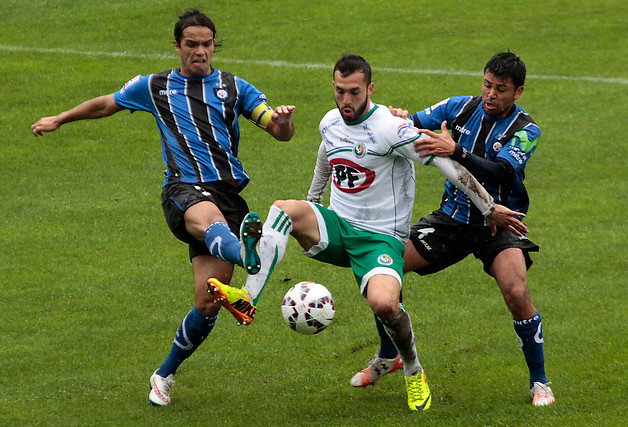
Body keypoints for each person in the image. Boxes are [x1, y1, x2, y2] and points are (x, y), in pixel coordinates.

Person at [208, 53, 528, 412]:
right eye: (340, 91)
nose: (346, 101)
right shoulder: (330, 122)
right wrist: (313, 201)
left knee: (385, 304)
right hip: (338, 227)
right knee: (284, 209)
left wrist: (489, 208)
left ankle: (412, 369)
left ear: (370, 89)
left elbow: (446, 163)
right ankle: (246, 298)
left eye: (354, 93)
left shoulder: (391, 129)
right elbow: (326, 157)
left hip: (380, 239)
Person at [30, 8, 296, 406]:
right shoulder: (155, 87)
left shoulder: (235, 88)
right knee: (212, 224)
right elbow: (105, 105)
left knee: (207, 304)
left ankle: (164, 374)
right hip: (183, 189)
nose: (201, 51)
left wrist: (284, 120)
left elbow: (278, 131)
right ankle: (250, 255)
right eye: (192, 44)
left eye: (207, 44)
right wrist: (60, 118)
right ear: (178, 46)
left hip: (228, 196)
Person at [337, 51, 555, 407]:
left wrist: (456, 150)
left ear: (518, 92)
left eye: (501, 89)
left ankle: (540, 382)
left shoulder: (526, 130)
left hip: (497, 223)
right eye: (487, 84)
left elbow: (501, 171)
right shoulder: (458, 107)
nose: (490, 94)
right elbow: (412, 124)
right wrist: (398, 117)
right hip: (450, 221)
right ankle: (390, 355)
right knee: (385, 264)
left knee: (516, 292)